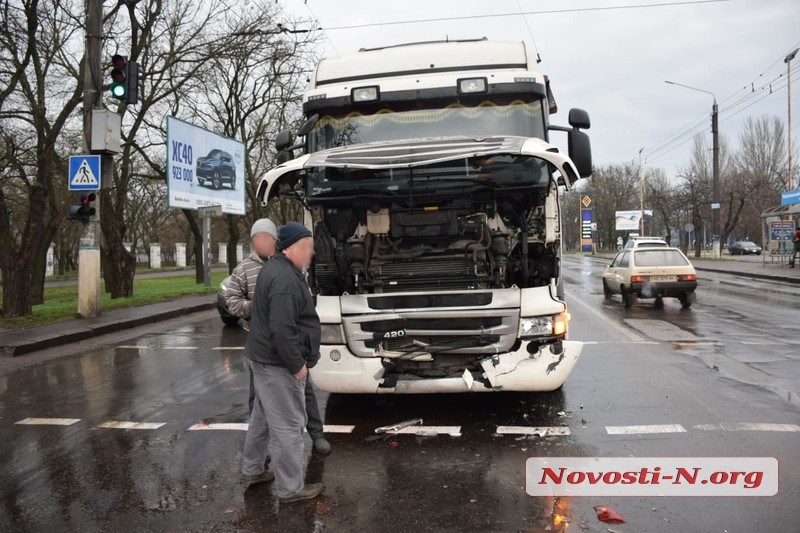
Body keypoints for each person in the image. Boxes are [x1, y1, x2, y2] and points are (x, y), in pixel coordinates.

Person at [226, 219, 330, 456]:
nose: (261, 242)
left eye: (266, 237)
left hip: (272, 350)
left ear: (276, 241)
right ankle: (290, 489)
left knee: (291, 401)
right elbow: (279, 326)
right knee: (283, 419)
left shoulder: (284, 268)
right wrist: (258, 308)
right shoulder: (253, 270)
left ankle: (315, 435)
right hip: (274, 354)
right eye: (256, 238)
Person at [241, 221, 325, 504]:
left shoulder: (275, 269)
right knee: (289, 426)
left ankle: (252, 469)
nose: (311, 254)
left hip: (264, 360)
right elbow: (282, 329)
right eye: (308, 248)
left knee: (262, 418)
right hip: (278, 365)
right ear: (293, 248)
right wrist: (298, 366)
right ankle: (291, 489)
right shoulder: (286, 280)